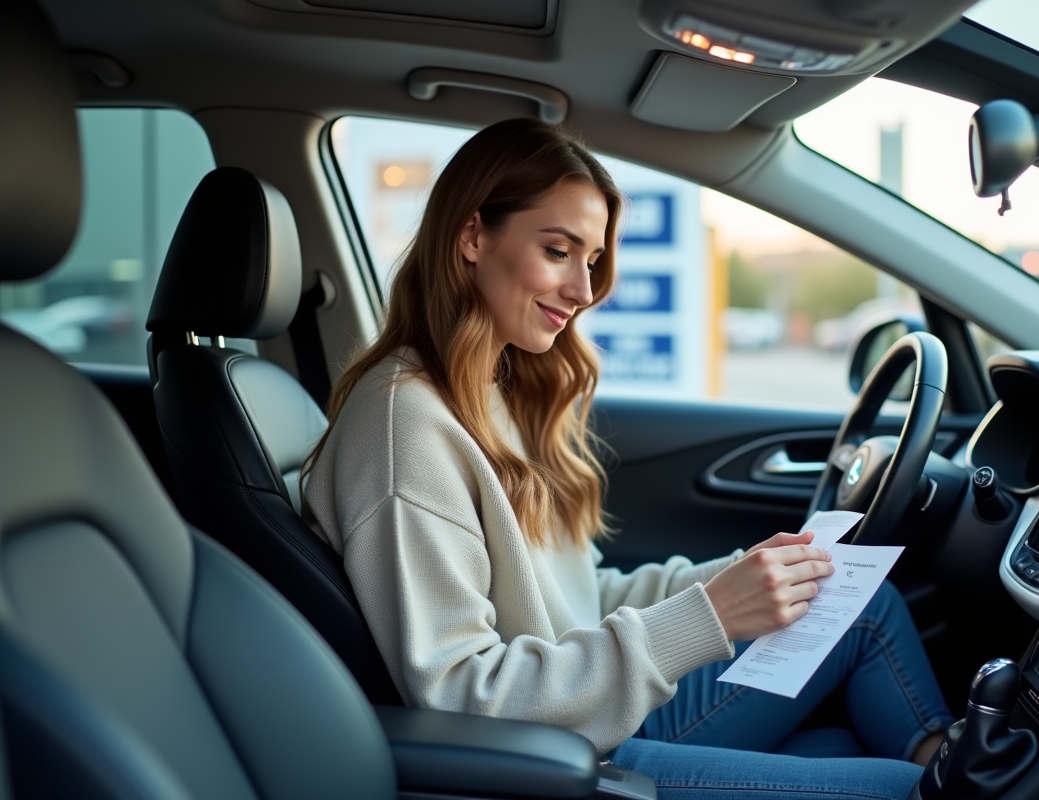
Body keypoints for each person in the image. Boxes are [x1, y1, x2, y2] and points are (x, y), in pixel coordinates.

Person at [303, 117, 955, 800]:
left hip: (589, 703)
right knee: (904, 789)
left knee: (857, 603)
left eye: (591, 261)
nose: (584, 292)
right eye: (558, 250)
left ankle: (957, 761)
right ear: (471, 237)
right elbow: (463, 697)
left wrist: (734, 581)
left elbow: (581, 601)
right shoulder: (404, 426)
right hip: (566, 754)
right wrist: (713, 616)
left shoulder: (490, 392)